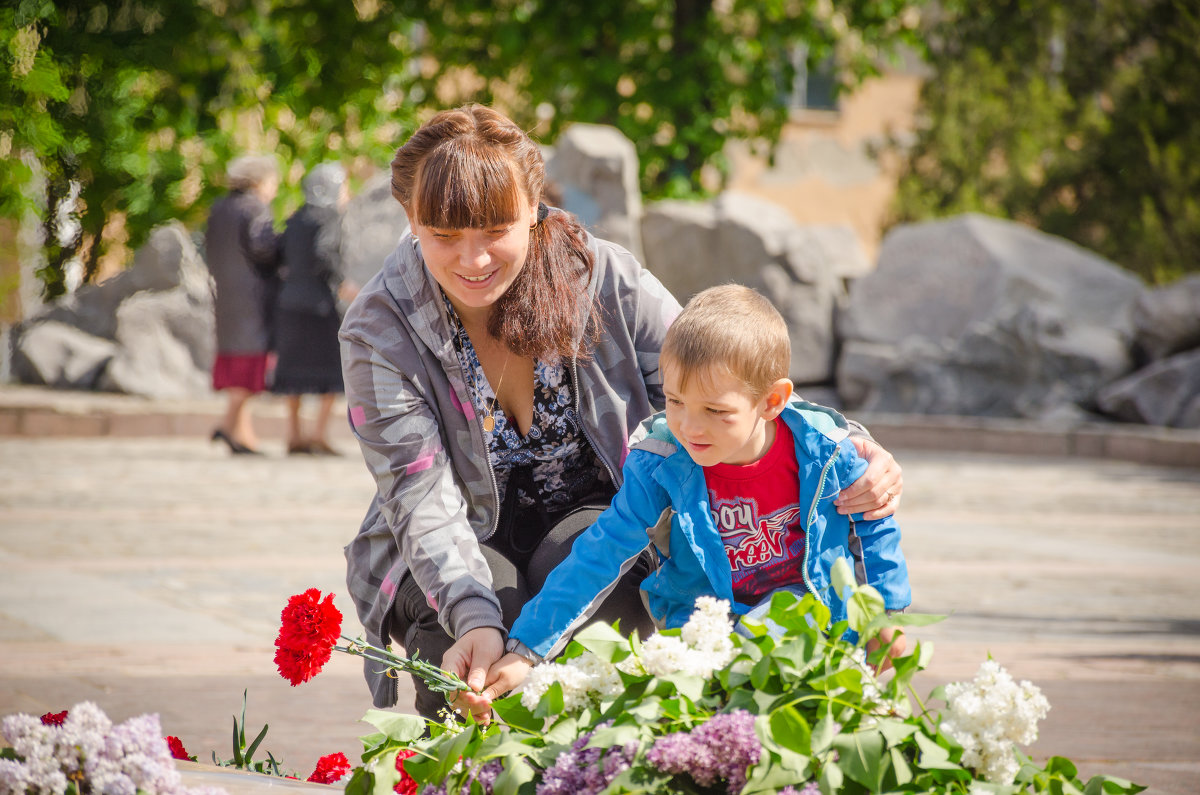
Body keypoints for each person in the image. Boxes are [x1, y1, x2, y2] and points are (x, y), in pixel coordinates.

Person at [339, 104, 905, 721]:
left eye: (495, 230)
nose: (472, 260)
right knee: (470, 631)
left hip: (605, 516)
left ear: (536, 208)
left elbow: (719, 376)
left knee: (597, 581)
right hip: (451, 540)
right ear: (410, 219)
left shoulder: (603, 278)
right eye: (444, 235)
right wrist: (473, 620)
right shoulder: (378, 328)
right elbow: (420, 498)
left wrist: (841, 445)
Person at [469, 285, 911, 717]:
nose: (689, 427)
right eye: (676, 401)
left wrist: (888, 613)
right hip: (702, 631)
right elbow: (598, 556)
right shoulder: (662, 464)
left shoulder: (826, 453)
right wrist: (526, 650)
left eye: (716, 412)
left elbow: (874, 529)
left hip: (810, 623)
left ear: (772, 401)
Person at [272, 162, 359, 456]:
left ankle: (294, 434)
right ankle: (318, 434)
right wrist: (341, 282)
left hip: (289, 304)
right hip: (320, 307)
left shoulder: (294, 218)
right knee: (332, 371)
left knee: (293, 372)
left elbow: (278, 255)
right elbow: (325, 254)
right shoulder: (331, 218)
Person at [205, 154, 281, 455]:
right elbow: (263, 250)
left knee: (237, 360)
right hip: (253, 297)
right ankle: (228, 427)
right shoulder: (254, 208)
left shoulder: (218, 208)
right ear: (258, 181)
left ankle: (242, 434)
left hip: (225, 295)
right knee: (249, 366)